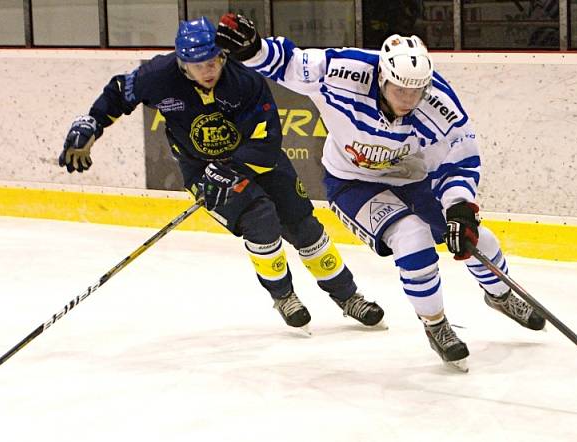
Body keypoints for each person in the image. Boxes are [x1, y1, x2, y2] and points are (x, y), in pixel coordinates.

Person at [216, 14, 546, 371]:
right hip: (351, 182)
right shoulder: (344, 71)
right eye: (399, 89)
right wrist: (253, 49)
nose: (408, 98)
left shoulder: (439, 104)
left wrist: (459, 211)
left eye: (416, 91)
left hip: (413, 178)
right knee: (412, 236)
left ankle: (501, 295)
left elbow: (457, 163)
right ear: (382, 77)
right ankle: (436, 325)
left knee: (478, 239)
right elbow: (290, 64)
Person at [57, 17, 385, 334]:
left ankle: (348, 296)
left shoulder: (245, 79)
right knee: (260, 218)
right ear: (183, 63)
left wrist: (230, 169)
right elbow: (119, 92)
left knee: (304, 225)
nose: (209, 70)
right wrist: (92, 123)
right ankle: (283, 295)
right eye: (199, 65)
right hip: (200, 168)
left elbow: (268, 140)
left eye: (214, 61)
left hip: (259, 160)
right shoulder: (158, 76)